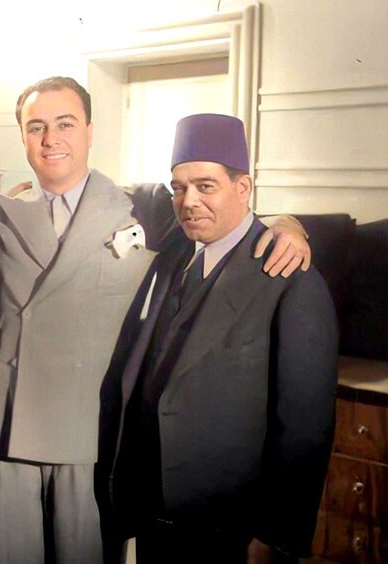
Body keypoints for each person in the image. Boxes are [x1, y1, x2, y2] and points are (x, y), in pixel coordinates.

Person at [0, 76, 311, 563]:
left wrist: (289, 224)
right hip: (11, 429)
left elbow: (223, 215)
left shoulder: (144, 206)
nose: (51, 139)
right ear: (22, 137)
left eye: (65, 124)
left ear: (89, 131)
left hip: (93, 436)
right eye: (36, 127)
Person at [110, 113, 337, 563]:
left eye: (205, 186)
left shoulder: (290, 276)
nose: (189, 201)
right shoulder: (175, 253)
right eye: (179, 187)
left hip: (230, 523)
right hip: (156, 509)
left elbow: (305, 427)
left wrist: (275, 537)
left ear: (243, 188)